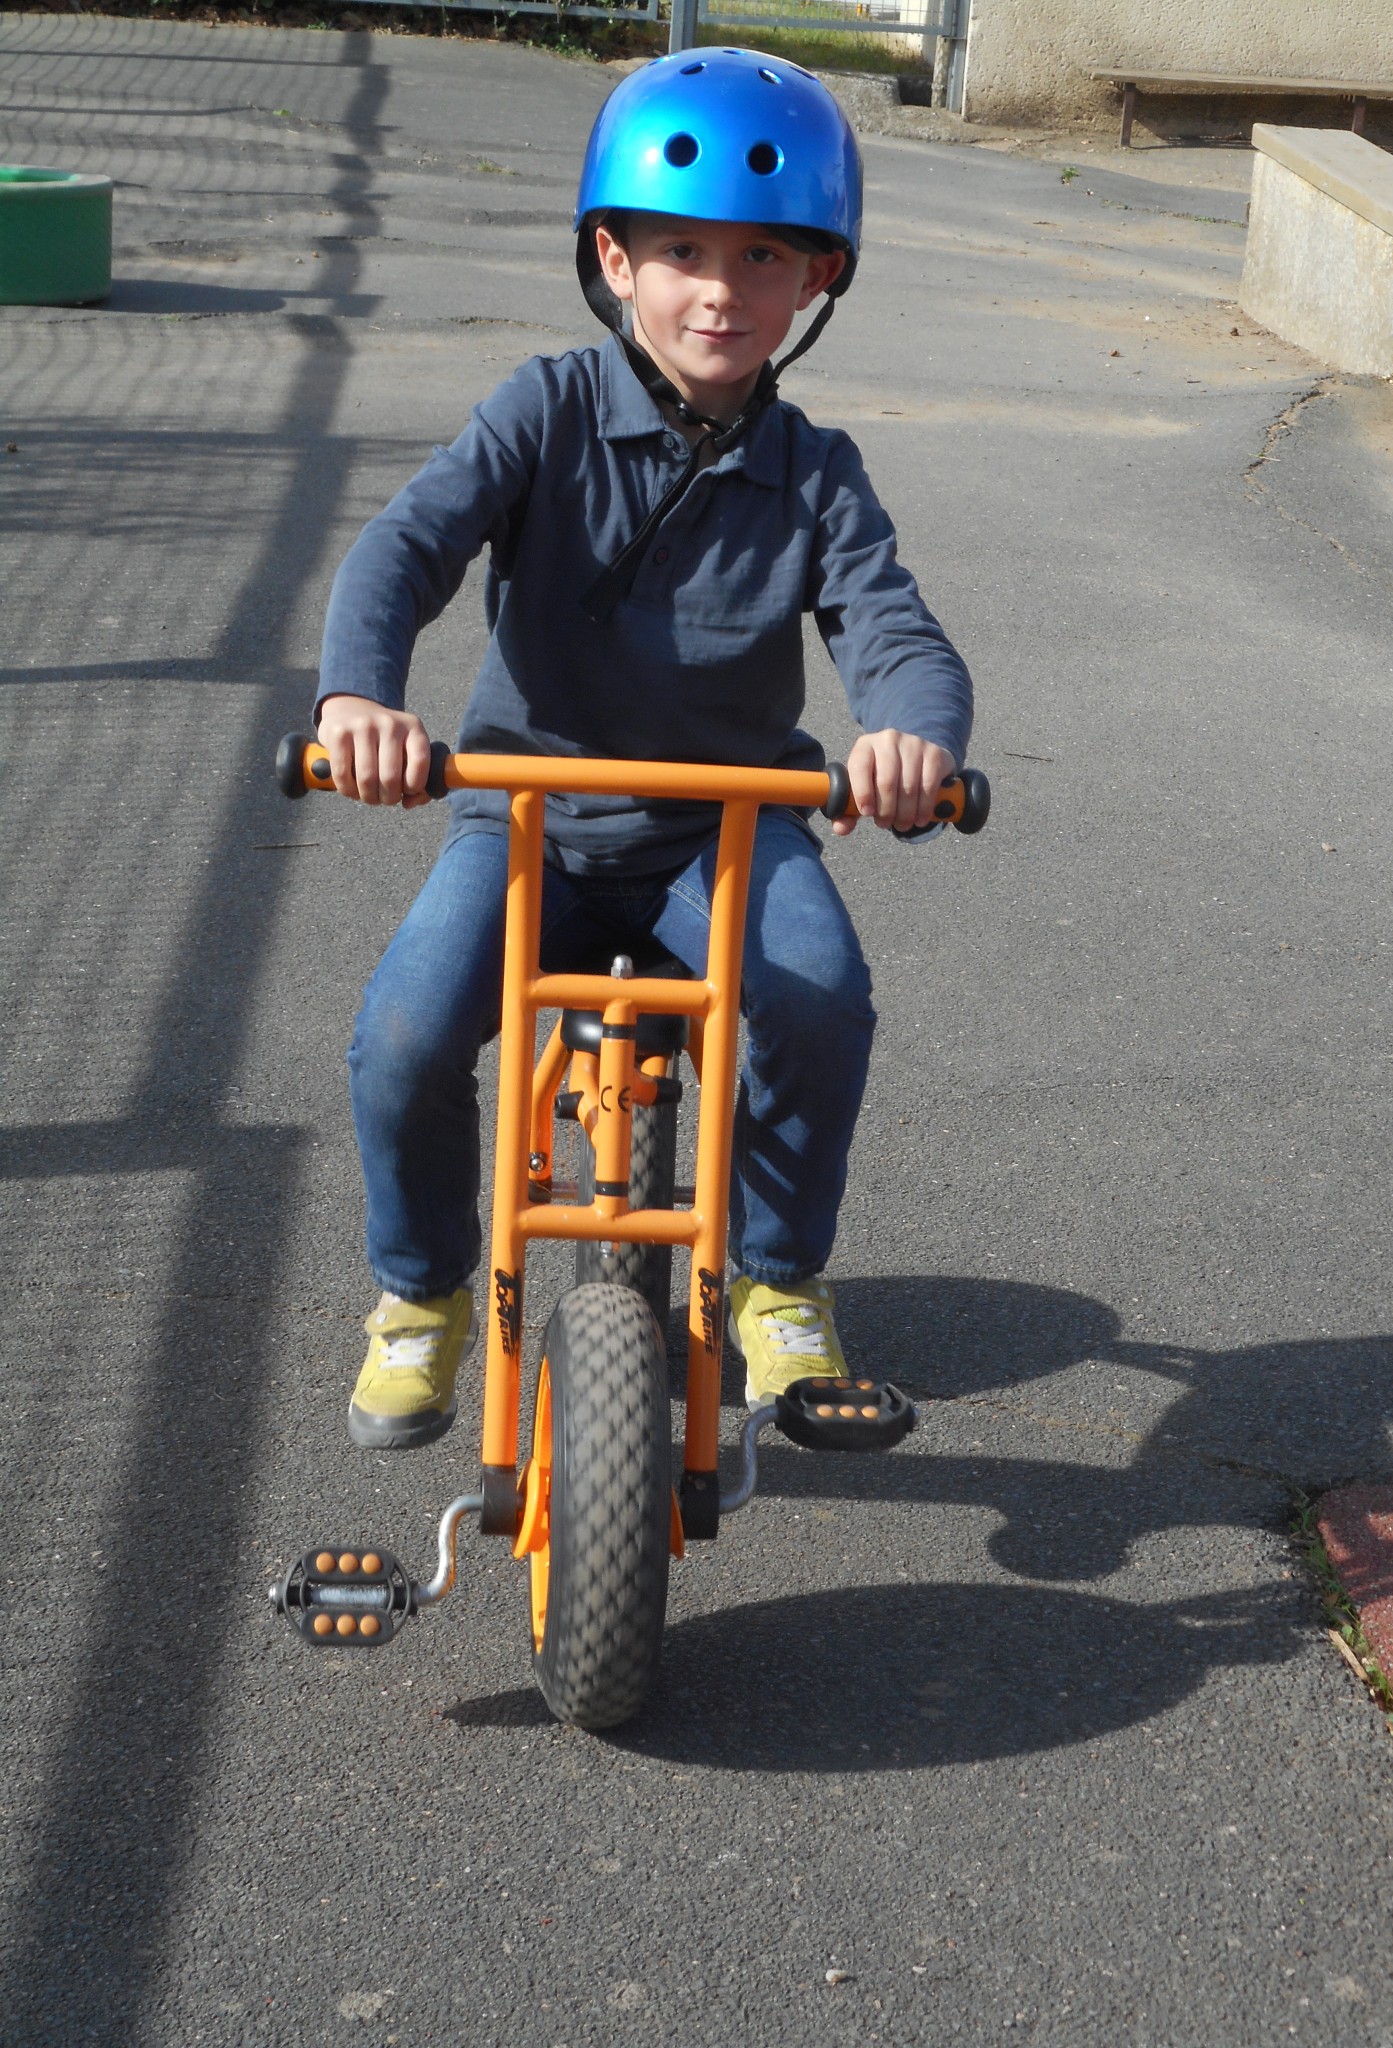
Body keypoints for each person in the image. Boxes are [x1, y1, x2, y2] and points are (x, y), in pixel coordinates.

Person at [315, 49, 973, 1450]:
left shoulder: (818, 472)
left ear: (818, 280)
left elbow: (894, 627)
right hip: (530, 817)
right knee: (407, 1034)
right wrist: (358, 699)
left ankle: (777, 1278)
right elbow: (406, 548)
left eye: (762, 257)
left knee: (817, 1001)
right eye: (681, 253)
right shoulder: (545, 410)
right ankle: (421, 1290)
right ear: (615, 261)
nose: (720, 292)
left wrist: (911, 738)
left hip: (721, 827)